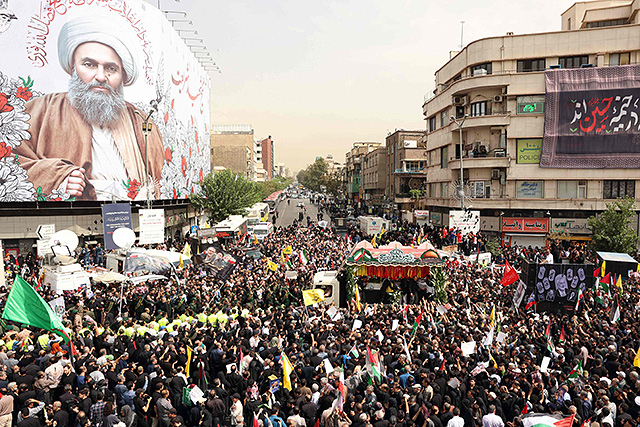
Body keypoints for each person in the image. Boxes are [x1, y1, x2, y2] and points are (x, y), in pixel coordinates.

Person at [14, 15, 164, 201]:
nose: (101, 76)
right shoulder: (41, 111)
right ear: (72, 67)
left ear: (122, 76)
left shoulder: (142, 121)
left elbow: (159, 178)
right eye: (89, 64)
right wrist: (57, 177)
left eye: (111, 68)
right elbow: (10, 161)